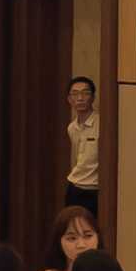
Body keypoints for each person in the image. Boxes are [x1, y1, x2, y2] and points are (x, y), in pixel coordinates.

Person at [55, 73, 104, 215]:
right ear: (69, 99)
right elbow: (77, 158)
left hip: (94, 189)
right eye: (75, 94)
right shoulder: (72, 127)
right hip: (75, 186)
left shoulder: (101, 124)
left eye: (85, 93)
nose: (80, 98)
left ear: (93, 97)